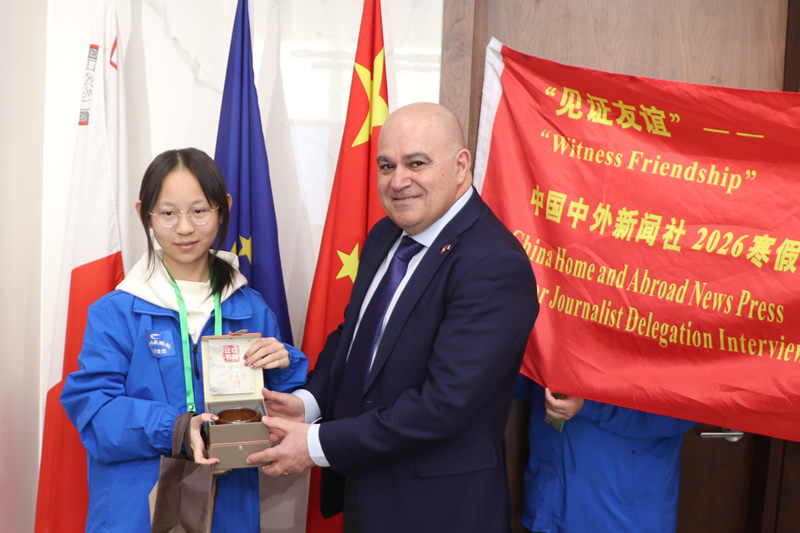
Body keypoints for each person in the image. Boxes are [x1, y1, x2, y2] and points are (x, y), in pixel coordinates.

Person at [246, 102, 539, 532]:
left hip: (440, 510)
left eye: (416, 163)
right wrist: (308, 404)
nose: (398, 181)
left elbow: (444, 405)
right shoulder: (387, 234)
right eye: (387, 165)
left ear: (461, 166)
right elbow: (355, 338)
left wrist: (317, 443)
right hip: (365, 491)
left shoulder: (494, 264)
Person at [60, 148, 308, 533]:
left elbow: (283, 413)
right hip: (134, 512)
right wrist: (175, 428)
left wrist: (284, 363)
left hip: (229, 506)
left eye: (199, 210)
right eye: (168, 213)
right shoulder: (116, 312)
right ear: (144, 214)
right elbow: (94, 413)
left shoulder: (251, 308)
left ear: (223, 209)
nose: (185, 228)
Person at [513, 374, 696, 533]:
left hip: (619, 514)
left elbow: (682, 407)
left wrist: (590, 403)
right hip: (549, 500)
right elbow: (528, 382)